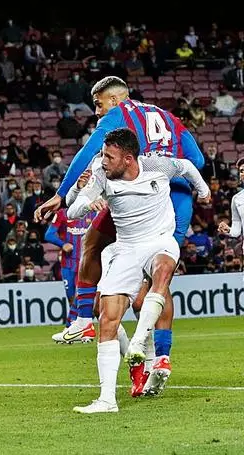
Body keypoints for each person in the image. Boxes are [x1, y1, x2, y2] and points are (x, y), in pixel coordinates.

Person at [33, 76, 204, 386]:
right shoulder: (168, 116)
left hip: (140, 198)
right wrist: (168, 171)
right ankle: (158, 355)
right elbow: (198, 160)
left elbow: (89, 151)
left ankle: (89, 322)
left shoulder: (118, 115)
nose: (97, 111)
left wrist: (61, 193)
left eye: (98, 104)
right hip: (176, 201)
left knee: (98, 248)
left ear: (113, 100)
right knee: (157, 277)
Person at [66, 129, 208, 414]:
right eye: (103, 155)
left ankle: (140, 341)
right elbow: (72, 210)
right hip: (127, 248)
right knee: (107, 318)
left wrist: (203, 190)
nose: (103, 161)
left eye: (110, 156)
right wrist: (87, 204)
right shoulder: (102, 174)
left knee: (163, 269)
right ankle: (107, 400)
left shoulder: (158, 165)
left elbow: (187, 166)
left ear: (129, 159)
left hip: (160, 240)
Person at [44, 206, 97, 343]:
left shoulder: (93, 212)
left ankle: (71, 328)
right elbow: (48, 234)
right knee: (72, 298)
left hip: (86, 263)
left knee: (81, 296)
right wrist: (63, 244)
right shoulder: (63, 213)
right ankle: (78, 328)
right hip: (68, 264)